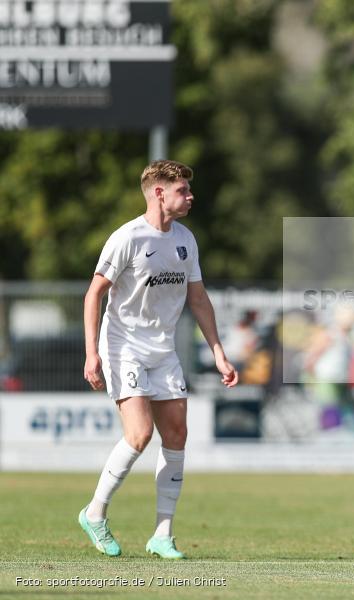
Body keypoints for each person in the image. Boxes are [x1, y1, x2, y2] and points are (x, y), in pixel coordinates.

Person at [81, 160, 238, 559]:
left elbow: (198, 298)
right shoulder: (128, 238)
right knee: (139, 434)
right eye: (183, 190)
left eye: (188, 189)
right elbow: (94, 293)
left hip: (162, 349)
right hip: (123, 346)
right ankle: (94, 513)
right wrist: (92, 353)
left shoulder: (185, 239)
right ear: (159, 193)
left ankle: (162, 535)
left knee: (177, 436)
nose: (190, 196)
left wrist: (219, 353)